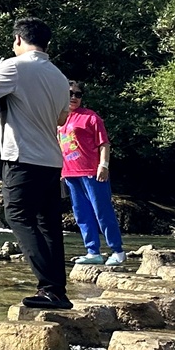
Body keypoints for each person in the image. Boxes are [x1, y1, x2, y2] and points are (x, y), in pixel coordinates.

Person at [0, 17, 74, 310]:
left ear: (18, 40)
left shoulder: (14, 66)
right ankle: (57, 291)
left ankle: (50, 287)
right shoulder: (58, 76)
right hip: (52, 160)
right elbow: (62, 119)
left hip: (22, 157)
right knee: (48, 224)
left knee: (17, 216)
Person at [60, 83, 123, 268]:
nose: (74, 97)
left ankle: (117, 251)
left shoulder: (91, 117)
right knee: (81, 214)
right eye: (70, 93)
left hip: (91, 172)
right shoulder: (59, 118)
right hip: (70, 173)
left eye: (78, 94)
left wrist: (103, 165)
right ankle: (92, 252)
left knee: (102, 211)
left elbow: (104, 144)